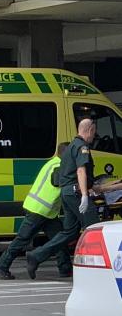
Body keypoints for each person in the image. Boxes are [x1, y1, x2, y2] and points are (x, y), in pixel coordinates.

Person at [26, 118, 101, 279]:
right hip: (76, 193)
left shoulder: (69, 148)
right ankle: (95, 267)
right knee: (95, 228)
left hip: (66, 193)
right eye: (94, 133)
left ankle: (37, 256)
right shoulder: (82, 147)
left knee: (69, 232)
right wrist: (85, 196)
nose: (94, 137)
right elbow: (81, 171)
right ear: (89, 130)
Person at [0, 143, 71, 279]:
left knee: (59, 240)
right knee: (23, 239)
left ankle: (65, 269)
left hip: (46, 211)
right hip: (39, 210)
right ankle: (2, 265)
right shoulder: (60, 167)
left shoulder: (53, 163)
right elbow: (59, 182)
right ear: (66, 155)